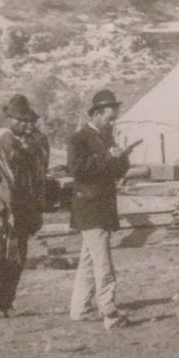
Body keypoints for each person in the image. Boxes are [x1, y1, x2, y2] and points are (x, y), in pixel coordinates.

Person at [68, 89, 134, 329]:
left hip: (102, 206)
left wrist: (122, 159)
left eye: (114, 117)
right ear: (96, 114)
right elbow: (76, 169)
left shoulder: (107, 137)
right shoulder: (79, 138)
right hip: (89, 207)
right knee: (103, 263)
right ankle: (110, 312)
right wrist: (108, 158)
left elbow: (115, 173)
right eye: (109, 116)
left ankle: (80, 309)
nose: (112, 121)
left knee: (88, 261)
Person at [0, 95, 48, 318]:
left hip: (24, 211)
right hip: (4, 212)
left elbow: (36, 179)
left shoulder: (32, 147)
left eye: (28, 121)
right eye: (22, 121)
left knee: (18, 258)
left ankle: (7, 302)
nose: (27, 125)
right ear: (11, 120)